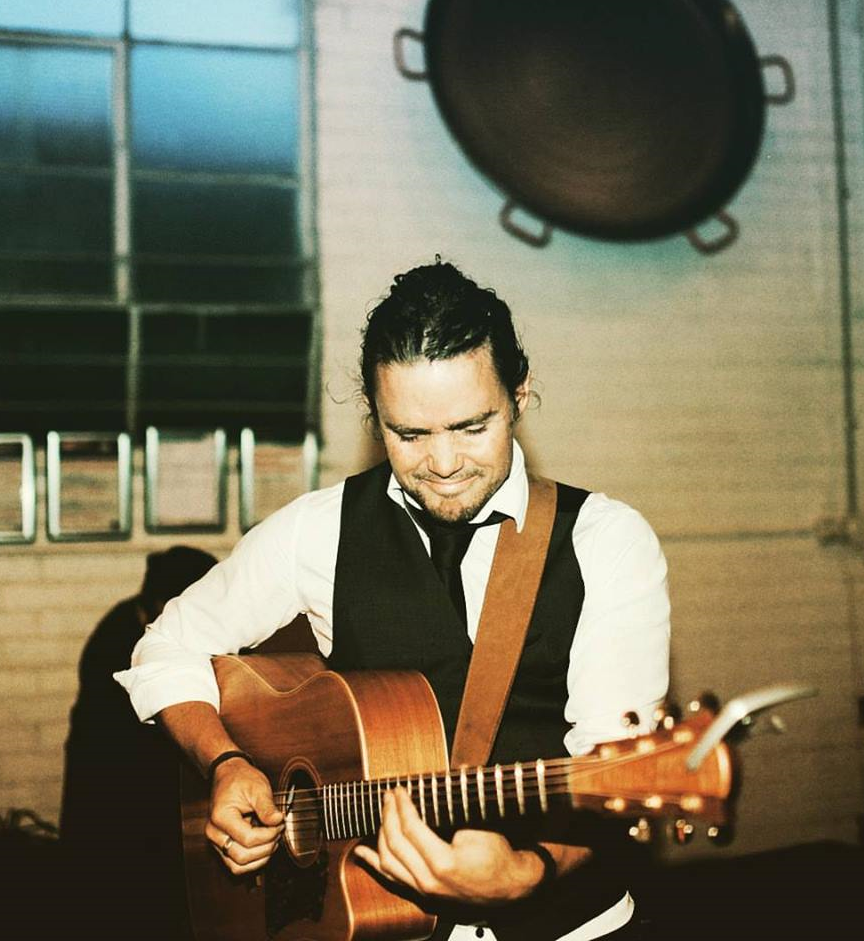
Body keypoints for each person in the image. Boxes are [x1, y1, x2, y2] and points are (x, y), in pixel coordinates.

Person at [115, 260, 670, 941]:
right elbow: (167, 645)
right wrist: (224, 763)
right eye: (409, 434)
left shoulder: (605, 542)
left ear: (520, 395)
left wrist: (528, 873)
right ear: (374, 416)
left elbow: (616, 774)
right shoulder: (319, 530)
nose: (444, 463)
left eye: (472, 427)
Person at [62, 545, 217, 940]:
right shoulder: (121, 641)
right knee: (126, 901)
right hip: (115, 791)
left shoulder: (128, 620)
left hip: (133, 786)